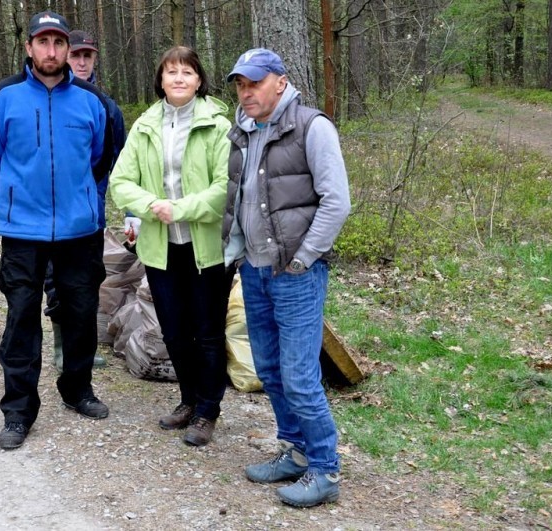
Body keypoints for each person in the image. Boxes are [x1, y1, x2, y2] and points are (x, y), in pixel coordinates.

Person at [0, 11, 114, 451]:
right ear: (29, 48)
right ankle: (18, 410)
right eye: (43, 42)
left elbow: (104, 157)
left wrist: (78, 199)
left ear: (67, 50)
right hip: (23, 231)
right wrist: (21, 194)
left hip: (79, 230)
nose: (51, 51)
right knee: (21, 319)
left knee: (79, 312)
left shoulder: (93, 102)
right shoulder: (4, 98)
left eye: (59, 43)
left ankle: (77, 389)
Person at [222, 48, 351, 506]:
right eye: (240, 84)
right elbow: (239, 198)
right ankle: (295, 451)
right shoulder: (243, 130)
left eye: (254, 82)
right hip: (255, 270)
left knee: (298, 375)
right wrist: (236, 252)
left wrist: (304, 257)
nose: (246, 91)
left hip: (296, 273)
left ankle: (325, 469)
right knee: (271, 370)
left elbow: (336, 201)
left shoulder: (311, 127)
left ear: (280, 81)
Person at [109, 46, 232, 447]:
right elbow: (120, 181)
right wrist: (150, 206)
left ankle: (208, 411)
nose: (179, 79)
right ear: (160, 80)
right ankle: (187, 401)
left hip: (206, 249)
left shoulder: (218, 126)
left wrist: (178, 208)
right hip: (161, 249)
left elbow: (223, 190)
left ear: (199, 80)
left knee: (208, 333)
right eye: (171, 72)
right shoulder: (145, 125)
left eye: (187, 72)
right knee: (175, 332)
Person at [43, 29, 127, 371]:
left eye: (87, 56)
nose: (80, 61)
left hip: (91, 210)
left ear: (94, 60)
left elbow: (121, 161)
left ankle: (84, 346)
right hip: (48, 213)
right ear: (64, 56)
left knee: (89, 277)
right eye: (75, 54)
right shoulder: (48, 97)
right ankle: (61, 347)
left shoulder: (106, 107)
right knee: (54, 278)